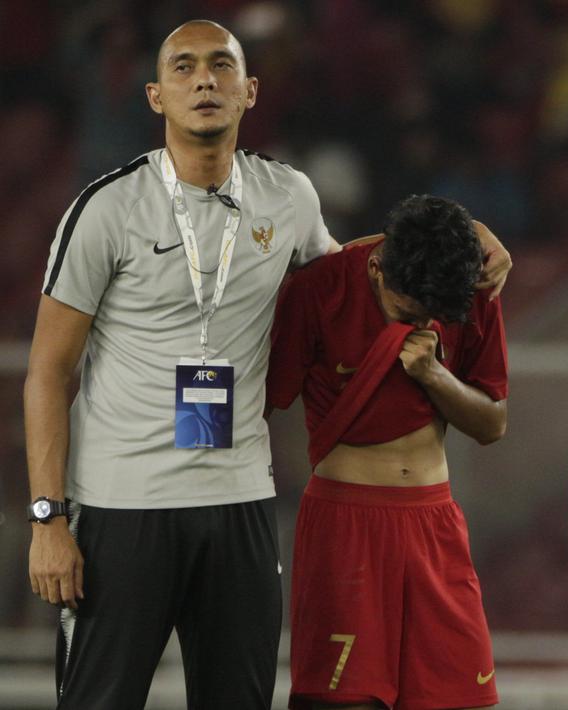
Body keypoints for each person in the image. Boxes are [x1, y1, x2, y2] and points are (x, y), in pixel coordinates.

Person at [24, 20, 510, 709]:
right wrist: (49, 520)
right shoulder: (107, 210)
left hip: (238, 502)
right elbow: (47, 371)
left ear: (249, 90)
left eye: (221, 65)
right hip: (124, 505)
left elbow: (361, 270)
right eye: (184, 67)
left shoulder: (288, 197)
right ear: (156, 95)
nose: (204, 80)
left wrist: (464, 233)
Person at [266, 194, 507, 710]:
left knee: (462, 699)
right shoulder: (319, 289)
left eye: (432, 316)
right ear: (376, 267)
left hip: (434, 523)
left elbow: (492, 424)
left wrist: (433, 374)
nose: (419, 325)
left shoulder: (471, 285)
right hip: (344, 524)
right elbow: (260, 403)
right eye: (407, 311)